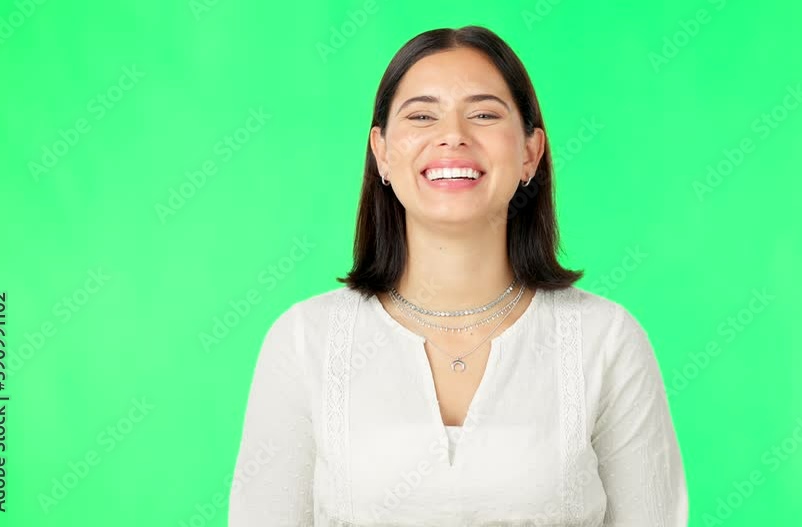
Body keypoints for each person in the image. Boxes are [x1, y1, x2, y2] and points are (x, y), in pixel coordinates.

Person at [228, 25, 687, 526]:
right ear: (381, 152)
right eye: (422, 115)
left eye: (484, 114)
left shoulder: (606, 339)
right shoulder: (304, 341)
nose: (453, 136)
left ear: (530, 152)